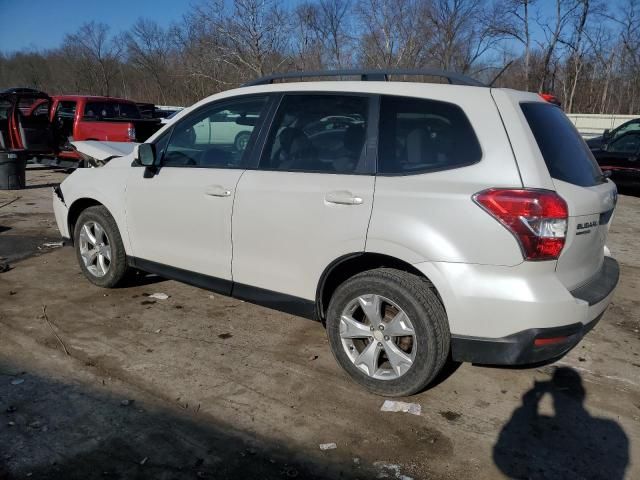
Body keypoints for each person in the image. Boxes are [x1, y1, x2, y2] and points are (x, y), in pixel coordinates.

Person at [493, 367, 629, 479]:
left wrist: (530, 401)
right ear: (581, 393)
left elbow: (503, 453)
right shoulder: (612, 428)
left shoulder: (609, 428)